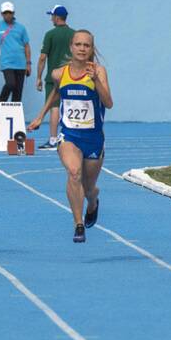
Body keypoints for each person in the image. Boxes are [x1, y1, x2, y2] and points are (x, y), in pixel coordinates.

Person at [28, 30, 113, 243]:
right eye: (78, 44)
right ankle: (78, 224)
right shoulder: (59, 73)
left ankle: (93, 202)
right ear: (71, 47)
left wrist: (97, 81)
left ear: (91, 49)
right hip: (69, 135)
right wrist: (40, 116)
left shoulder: (99, 71)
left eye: (86, 45)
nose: (82, 48)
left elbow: (109, 102)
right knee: (74, 173)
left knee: (88, 187)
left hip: (93, 138)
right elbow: (57, 92)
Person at [0, 1, 31, 124]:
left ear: (13, 13)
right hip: (7, 63)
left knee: (17, 94)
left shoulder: (21, 28)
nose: (7, 15)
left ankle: (13, 120)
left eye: (9, 13)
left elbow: (26, 45)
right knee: (10, 84)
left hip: (21, 63)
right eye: (5, 13)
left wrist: (28, 63)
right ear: (1, 14)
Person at [36, 5, 75, 149]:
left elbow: (42, 57)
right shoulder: (74, 34)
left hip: (54, 78)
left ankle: (53, 139)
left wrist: (39, 77)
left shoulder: (50, 34)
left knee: (54, 107)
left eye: (52, 16)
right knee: (72, 106)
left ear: (56, 17)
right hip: (71, 76)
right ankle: (72, 138)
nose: (51, 18)